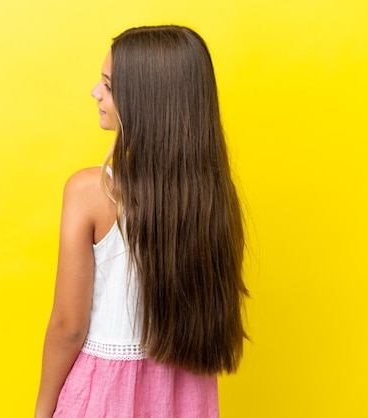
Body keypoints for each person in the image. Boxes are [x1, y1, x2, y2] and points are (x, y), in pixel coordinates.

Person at [35, 25, 248, 418]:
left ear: (146, 103)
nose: (95, 93)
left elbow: (68, 326)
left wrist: (42, 410)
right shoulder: (214, 198)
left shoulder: (91, 191)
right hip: (187, 398)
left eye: (109, 86)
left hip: (104, 397)